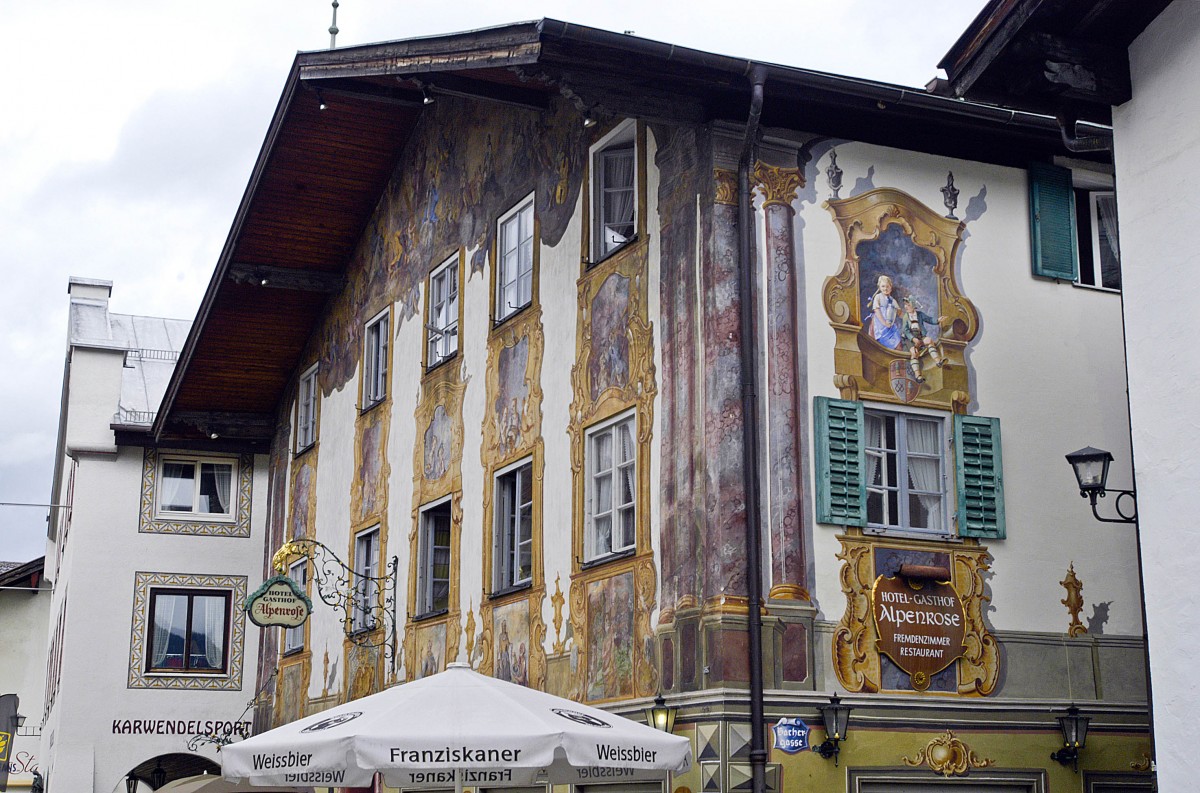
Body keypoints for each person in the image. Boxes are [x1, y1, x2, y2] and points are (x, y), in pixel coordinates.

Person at [899, 296, 944, 382]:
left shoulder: (919, 314)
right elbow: (906, 330)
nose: (906, 307)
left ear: (913, 306)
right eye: (905, 305)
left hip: (919, 335)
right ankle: (918, 375)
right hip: (909, 339)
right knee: (914, 352)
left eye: (908, 305)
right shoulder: (906, 316)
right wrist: (913, 339)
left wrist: (938, 320)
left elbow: (929, 319)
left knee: (929, 341)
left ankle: (938, 361)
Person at [867, 275, 901, 349]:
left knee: (897, 338)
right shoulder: (878, 297)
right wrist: (884, 323)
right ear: (879, 287)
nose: (885, 288)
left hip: (889, 323)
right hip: (880, 323)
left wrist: (897, 312)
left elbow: (899, 311)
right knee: (881, 342)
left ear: (890, 288)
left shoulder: (892, 300)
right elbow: (877, 310)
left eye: (887, 286)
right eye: (883, 286)